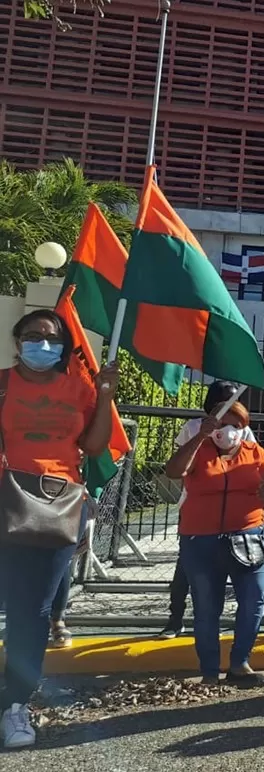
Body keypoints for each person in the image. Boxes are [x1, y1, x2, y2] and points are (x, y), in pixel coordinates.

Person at [0, 309, 118, 750]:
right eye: (33, 336)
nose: (42, 345)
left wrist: (105, 397)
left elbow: (93, 445)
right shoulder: (3, 382)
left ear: (64, 347)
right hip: (3, 501)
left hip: (56, 505)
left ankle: (16, 706)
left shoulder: (79, 388)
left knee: (34, 611)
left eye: (51, 339)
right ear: (18, 341)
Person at [164, 401, 264, 686]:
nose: (227, 431)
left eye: (235, 425)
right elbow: (173, 470)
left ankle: (240, 662)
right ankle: (209, 670)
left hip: (250, 538)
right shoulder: (198, 450)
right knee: (206, 607)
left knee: (255, 601)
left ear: (244, 429)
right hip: (200, 540)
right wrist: (199, 437)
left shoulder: (256, 452)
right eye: (220, 424)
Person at [160, 381, 257, 640]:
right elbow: (178, 466)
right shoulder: (193, 427)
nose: (230, 407)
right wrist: (202, 437)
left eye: (235, 401)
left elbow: (254, 461)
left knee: (237, 565)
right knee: (187, 567)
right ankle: (175, 618)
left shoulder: (242, 431)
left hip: (234, 513)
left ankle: (234, 622)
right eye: (224, 401)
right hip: (197, 510)